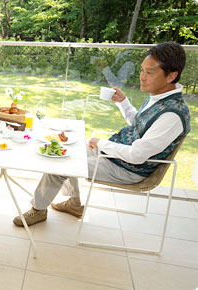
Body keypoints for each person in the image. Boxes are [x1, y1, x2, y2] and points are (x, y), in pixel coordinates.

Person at [13, 41, 191, 227]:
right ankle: (73, 203)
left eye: (150, 72)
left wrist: (100, 144)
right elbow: (140, 124)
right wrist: (123, 102)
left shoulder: (172, 115)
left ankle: (38, 210)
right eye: (142, 70)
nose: (142, 77)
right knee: (66, 148)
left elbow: (137, 156)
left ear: (171, 75)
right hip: (118, 156)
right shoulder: (159, 96)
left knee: (61, 163)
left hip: (129, 169)